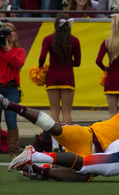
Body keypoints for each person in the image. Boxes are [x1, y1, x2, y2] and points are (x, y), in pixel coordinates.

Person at [39, 12, 81, 152]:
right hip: (68, 77)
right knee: (67, 112)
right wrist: (68, 63)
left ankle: (55, 143)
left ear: (56, 25)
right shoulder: (75, 41)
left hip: (52, 77)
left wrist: (42, 68)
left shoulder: (47, 39)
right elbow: (78, 62)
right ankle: (67, 143)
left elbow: (41, 58)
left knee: (54, 111)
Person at [0, 22, 25, 162]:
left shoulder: (19, 50)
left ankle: (14, 152)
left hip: (11, 89)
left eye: (13, 31)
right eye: (8, 32)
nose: (11, 34)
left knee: (11, 120)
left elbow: (17, 64)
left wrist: (7, 48)